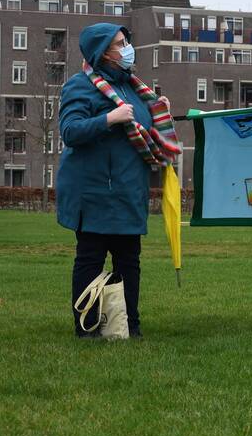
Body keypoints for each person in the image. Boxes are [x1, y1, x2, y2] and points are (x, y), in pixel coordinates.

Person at [57, 23, 179, 339]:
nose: (127, 48)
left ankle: (128, 326)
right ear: (103, 53)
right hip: (94, 193)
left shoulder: (134, 88)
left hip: (128, 191)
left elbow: (142, 127)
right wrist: (109, 119)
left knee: (129, 261)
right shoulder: (79, 87)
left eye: (127, 41)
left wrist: (158, 111)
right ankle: (88, 328)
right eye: (120, 43)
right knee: (90, 260)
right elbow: (70, 132)